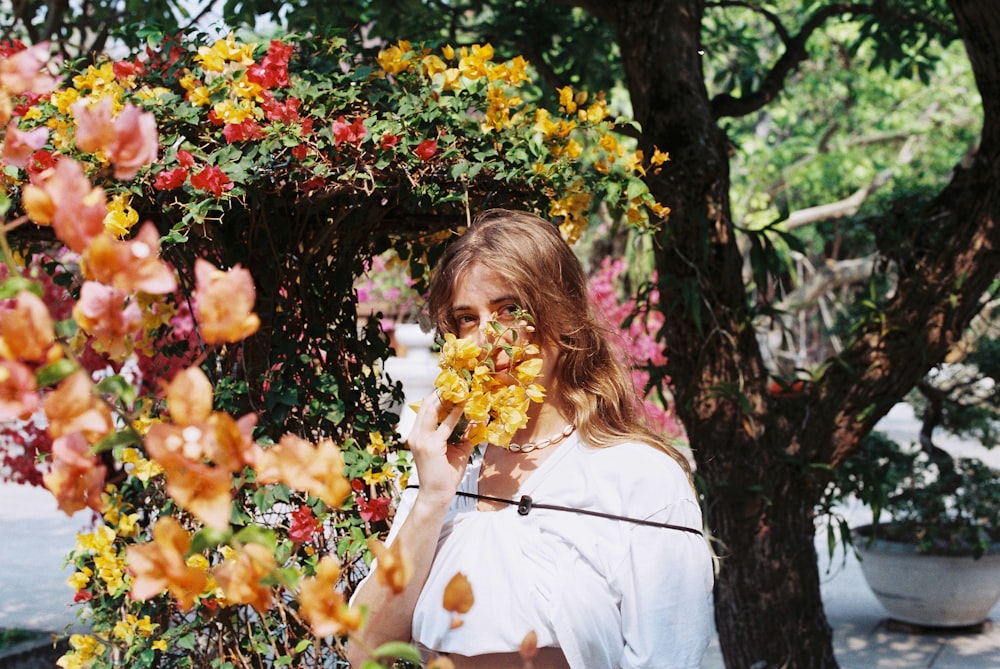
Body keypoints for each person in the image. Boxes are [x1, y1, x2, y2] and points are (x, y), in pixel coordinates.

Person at [348, 209, 714, 669]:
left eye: (509, 309)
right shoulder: (448, 470)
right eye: (467, 318)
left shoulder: (638, 476)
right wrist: (431, 500)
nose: (489, 337)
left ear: (562, 312)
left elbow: (670, 655)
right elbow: (363, 650)